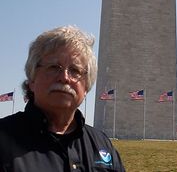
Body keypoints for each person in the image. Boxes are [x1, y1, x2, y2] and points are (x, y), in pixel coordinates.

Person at [0, 26, 125, 172]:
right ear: (32, 80)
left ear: (86, 88)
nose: (64, 77)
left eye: (75, 70)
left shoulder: (102, 144)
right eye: (54, 67)